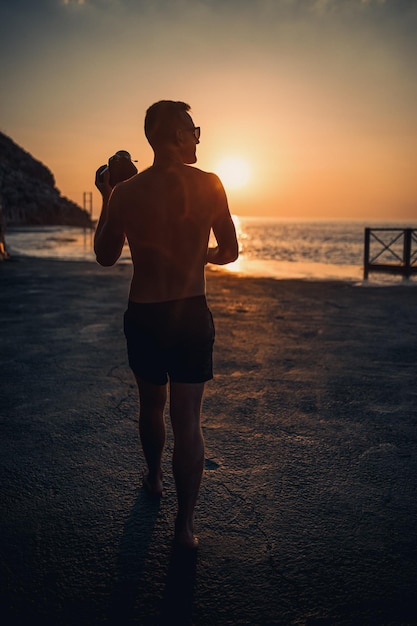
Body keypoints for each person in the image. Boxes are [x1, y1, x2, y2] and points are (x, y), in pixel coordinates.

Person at [94, 100, 238, 548]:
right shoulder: (210, 184)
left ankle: (154, 479)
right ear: (178, 135)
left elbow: (105, 255)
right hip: (191, 313)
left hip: (146, 314)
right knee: (188, 420)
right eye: (195, 129)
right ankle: (184, 529)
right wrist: (201, 255)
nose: (198, 136)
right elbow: (230, 251)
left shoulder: (127, 193)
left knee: (151, 406)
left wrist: (107, 195)